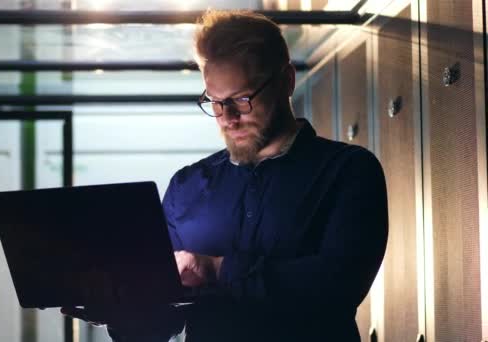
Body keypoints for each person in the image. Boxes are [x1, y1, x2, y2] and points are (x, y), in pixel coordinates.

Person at [62, 9, 388, 342]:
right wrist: (117, 310)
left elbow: (337, 287)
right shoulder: (186, 188)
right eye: (215, 102)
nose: (227, 118)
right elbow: (161, 324)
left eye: (241, 99)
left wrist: (216, 269)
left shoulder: (348, 172)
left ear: (286, 81)